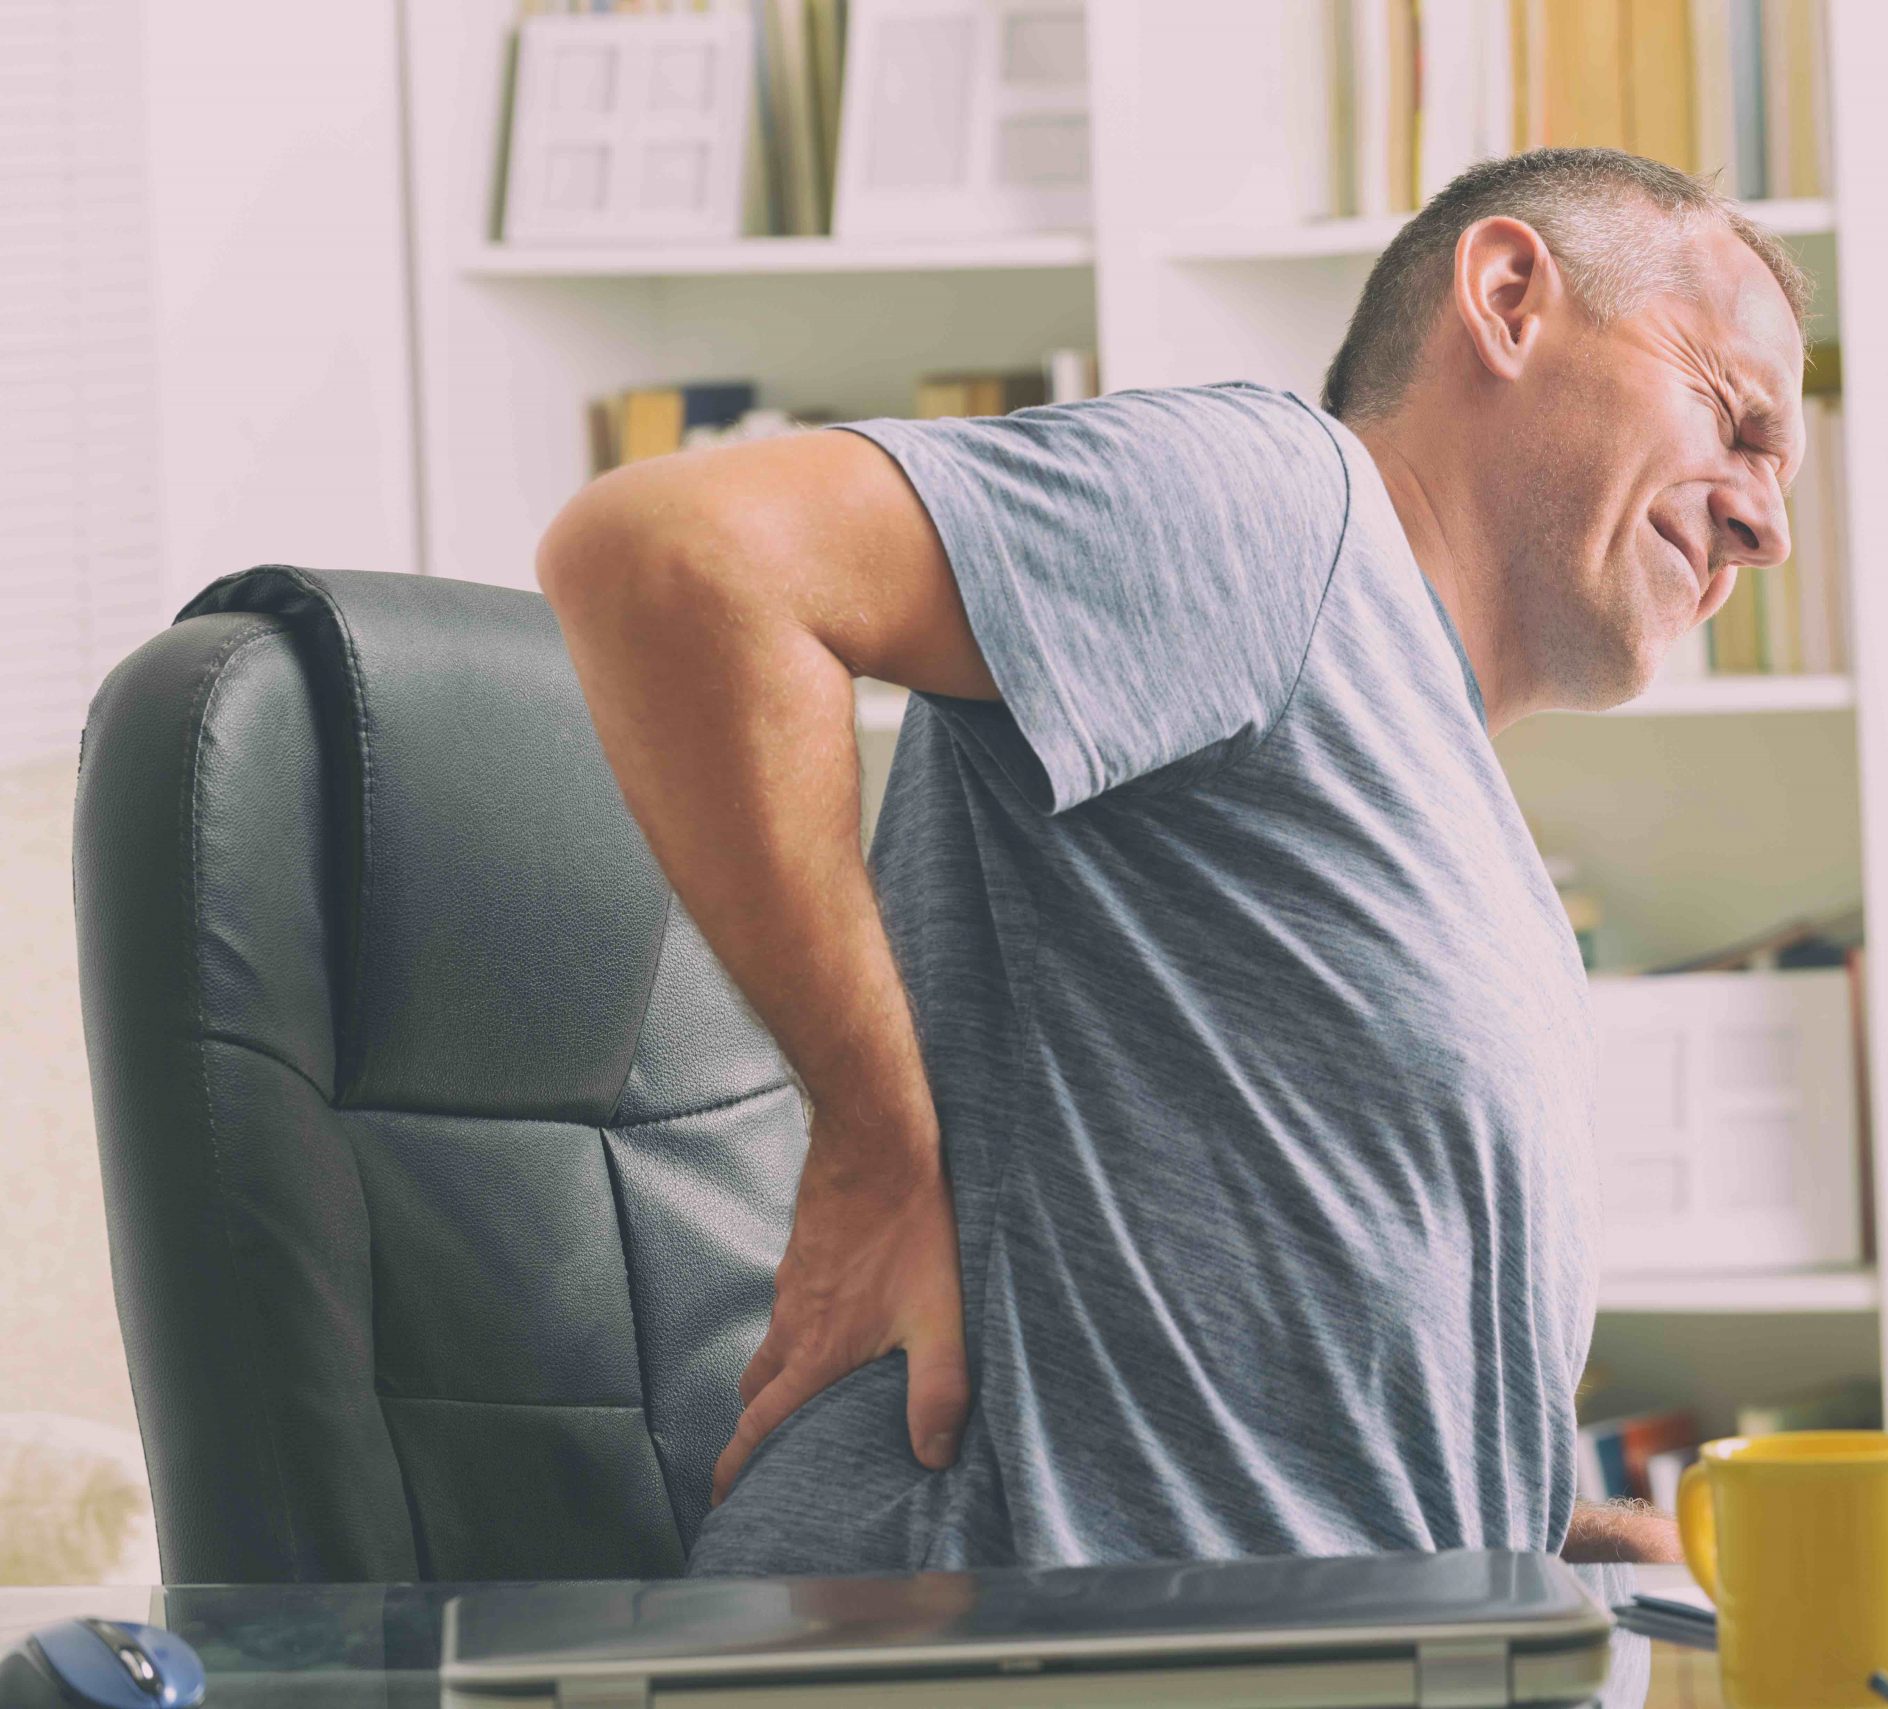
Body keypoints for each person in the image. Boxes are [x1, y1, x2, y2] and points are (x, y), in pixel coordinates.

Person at [535, 146, 1810, 1582]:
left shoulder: (1450, 792)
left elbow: (1252, 1370)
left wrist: (1523, 1536)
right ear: (1510, 297)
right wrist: (876, 1154)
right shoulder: (1286, 512)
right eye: (1736, 417)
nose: (1767, 523)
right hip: (993, 1649)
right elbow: (668, 554)